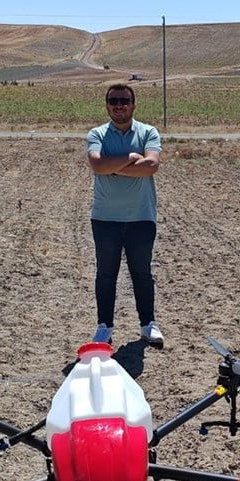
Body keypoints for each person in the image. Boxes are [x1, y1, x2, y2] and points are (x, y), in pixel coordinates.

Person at [86, 83, 164, 347]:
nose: (119, 105)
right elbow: (96, 164)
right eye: (114, 101)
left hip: (141, 217)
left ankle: (148, 324)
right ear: (107, 105)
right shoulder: (97, 133)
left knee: (141, 273)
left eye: (124, 101)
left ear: (133, 104)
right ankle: (104, 327)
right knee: (106, 274)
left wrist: (113, 167)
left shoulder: (148, 132)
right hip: (105, 218)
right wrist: (131, 158)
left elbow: (151, 165)